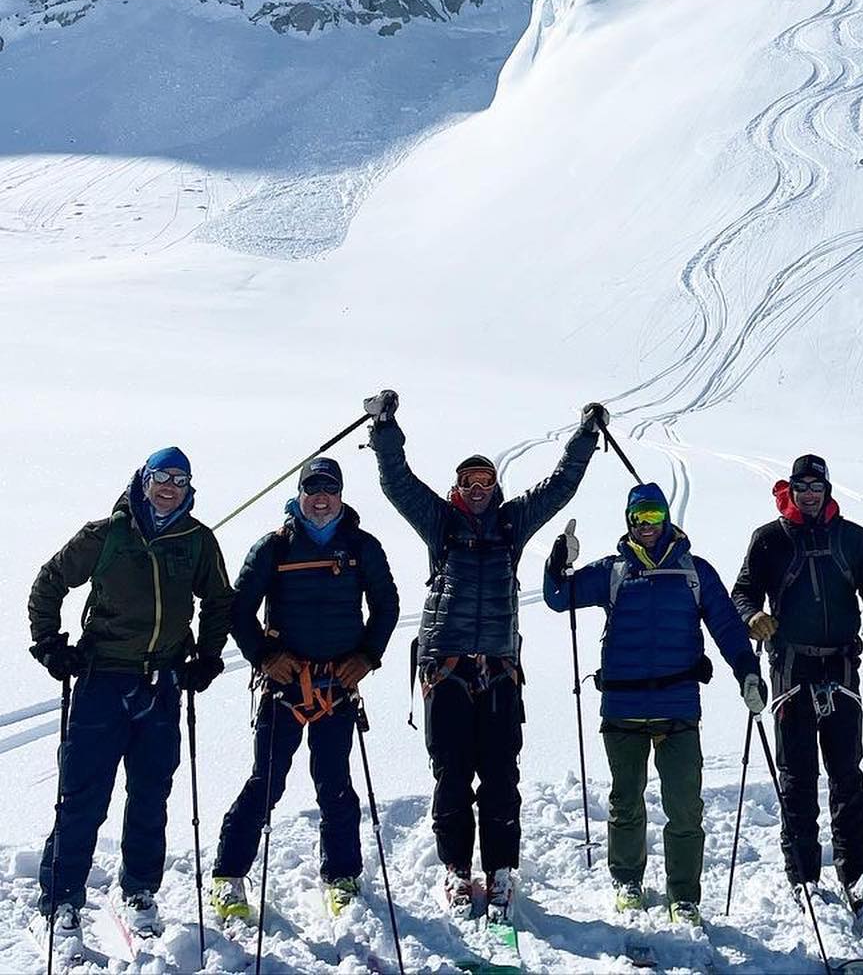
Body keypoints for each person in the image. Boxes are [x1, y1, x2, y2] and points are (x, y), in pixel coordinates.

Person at [364, 388, 606, 921]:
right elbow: (397, 482)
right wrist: (383, 429)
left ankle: (499, 873)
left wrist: (586, 438)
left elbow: (560, 485)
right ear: (456, 489)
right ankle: (455, 871)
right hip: (445, 669)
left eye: (485, 481)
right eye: (468, 482)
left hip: (498, 670)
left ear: (496, 488)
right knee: (451, 774)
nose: (477, 489)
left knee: (500, 775)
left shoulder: (512, 523)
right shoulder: (440, 523)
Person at [28, 448, 232, 950]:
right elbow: (49, 582)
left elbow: (220, 600)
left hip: (161, 686)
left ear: (189, 488)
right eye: (161, 477)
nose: (169, 487)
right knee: (82, 797)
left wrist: (206, 656)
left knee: (150, 795)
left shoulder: (197, 540)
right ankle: (59, 901)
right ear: (144, 481)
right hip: (102, 681)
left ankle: (140, 891)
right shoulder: (107, 535)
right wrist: (50, 643)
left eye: (179, 480)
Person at [543, 484, 765, 926]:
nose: (648, 525)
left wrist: (747, 672)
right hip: (622, 707)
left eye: (655, 516)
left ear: (666, 519)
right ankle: (628, 881)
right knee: (626, 802)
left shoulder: (694, 572)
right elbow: (557, 597)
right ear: (629, 521)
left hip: (678, 706)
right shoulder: (613, 571)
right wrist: (557, 561)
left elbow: (726, 625)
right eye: (640, 517)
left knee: (684, 806)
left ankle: (683, 895)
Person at [210, 456, 400, 920]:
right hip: (285, 688)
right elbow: (238, 611)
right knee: (267, 781)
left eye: (329, 489)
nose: (321, 498)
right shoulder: (273, 548)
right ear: (300, 495)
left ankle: (341, 876)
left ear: (340, 495)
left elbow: (387, 605)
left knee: (335, 783)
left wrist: (367, 656)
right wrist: (265, 656)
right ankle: (228, 876)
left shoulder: (361, 547)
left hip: (337, 686)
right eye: (312, 489)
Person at [729, 453, 863, 917]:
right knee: (797, 781)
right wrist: (753, 617)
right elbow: (742, 592)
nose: (809, 495)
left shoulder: (851, 538)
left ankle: (857, 876)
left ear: (828, 490)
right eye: (801, 487)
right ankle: (804, 878)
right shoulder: (769, 540)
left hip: (842, 670)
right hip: (792, 670)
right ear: (789, 490)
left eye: (816, 487)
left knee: (848, 778)